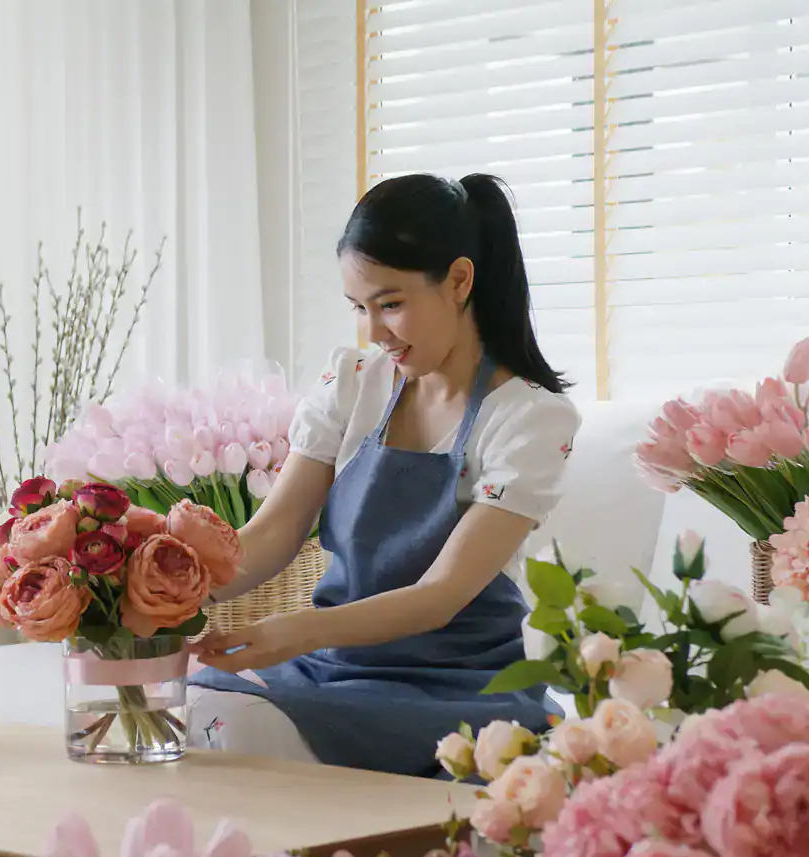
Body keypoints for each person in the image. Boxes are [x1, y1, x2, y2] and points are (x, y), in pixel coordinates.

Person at [188, 172, 581, 776]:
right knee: (194, 706)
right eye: (359, 308)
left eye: (390, 304)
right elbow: (272, 534)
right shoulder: (351, 384)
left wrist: (299, 631)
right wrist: (160, 590)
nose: (373, 332)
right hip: (335, 668)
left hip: (460, 684)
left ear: (459, 280)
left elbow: (440, 596)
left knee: (240, 728)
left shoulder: (530, 418)